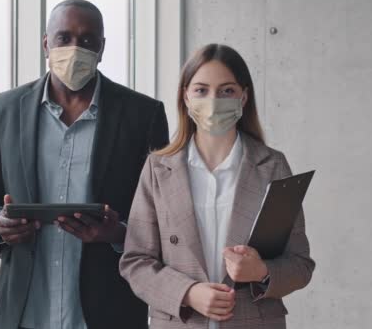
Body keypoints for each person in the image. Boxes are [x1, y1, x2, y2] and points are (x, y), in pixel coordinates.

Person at [0, 0, 168, 329]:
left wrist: (119, 233)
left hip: (109, 312)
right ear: (47, 44)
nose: (75, 48)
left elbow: (165, 217)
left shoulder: (143, 115)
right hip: (24, 312)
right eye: (64, 38)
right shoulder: (5, 110)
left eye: (88, 40)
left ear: (102, 48)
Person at [119, 44, 315, 328]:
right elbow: (135, 261)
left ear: (244, 96)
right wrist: (186, 293)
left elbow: (300, 264)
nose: (214, 100)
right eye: (201, 90)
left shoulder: (272, 166)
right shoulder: (158, 169)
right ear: (185, 96)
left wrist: (261, 271)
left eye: (227, 91)